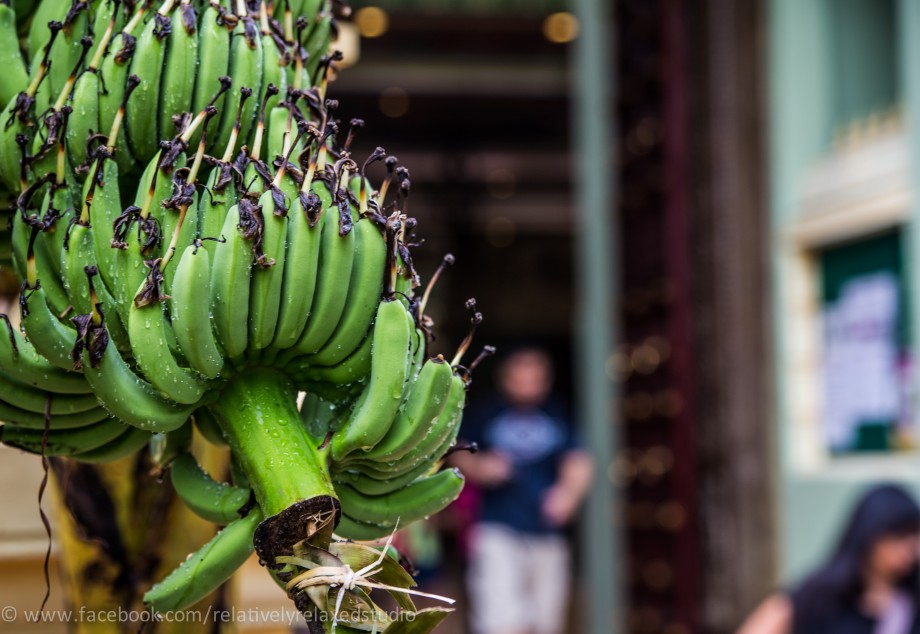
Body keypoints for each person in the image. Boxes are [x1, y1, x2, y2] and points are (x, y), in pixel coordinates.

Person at [452, 346, 594, 634]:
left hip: (546, 532)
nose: (529, 386)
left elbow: (579, 459)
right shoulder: (485, 412)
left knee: (546, 621)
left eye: (536, 378)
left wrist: (567, 495)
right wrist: (484, 467)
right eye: (521, 378)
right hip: (497, 528)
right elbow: (458, 451)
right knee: (500, 620)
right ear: (505, 379)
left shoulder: (557, 412)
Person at [739, 484, 920, 634]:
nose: (910, 548)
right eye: (899, 536)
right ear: (869, 535)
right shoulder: (818, 596)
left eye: (914, 536)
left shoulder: (911, 601)